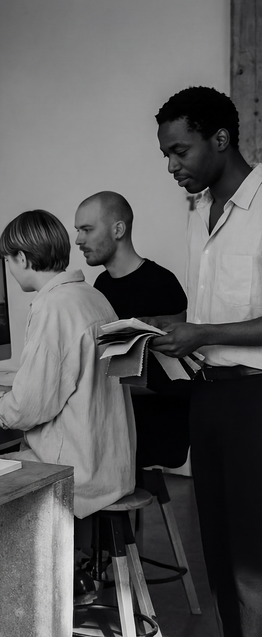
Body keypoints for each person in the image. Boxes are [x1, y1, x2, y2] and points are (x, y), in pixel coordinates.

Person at [149, 86, 262, 637]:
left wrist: (202, 332)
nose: (172, 166)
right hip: (209, 397)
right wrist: (178, 332)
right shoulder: (201, 214)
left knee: (253, 553)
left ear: (220, 139)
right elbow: (208, 312)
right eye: (166, 154)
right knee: (215, 546)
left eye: (181, 151)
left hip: (255, 402)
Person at [0, 209, 136, 520]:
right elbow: (70, 383)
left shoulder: (53, 307)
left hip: (76, 475)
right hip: (110, 468)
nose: (9, 269)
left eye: (7, 261)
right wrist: (6, 389)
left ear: (20, 258)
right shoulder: (92, 296)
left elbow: (27, 411)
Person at [74, 191, 189, 470]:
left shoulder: (162, 284)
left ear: (118, 230)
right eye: (78, 231)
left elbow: (174, 381)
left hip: (151, 428)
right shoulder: (101, 285)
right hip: (114, 416)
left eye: (87, 230)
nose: (78, 241)